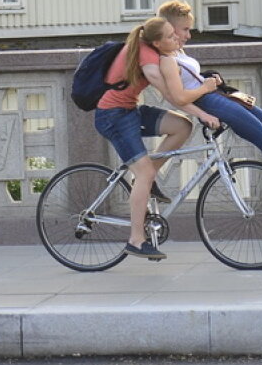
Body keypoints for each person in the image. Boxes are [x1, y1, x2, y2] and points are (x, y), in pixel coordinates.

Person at [154, 0, 262, 202]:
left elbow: (191, 79)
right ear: (169, 28)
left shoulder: (177, 50)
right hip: (210, 101)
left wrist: (209, 79)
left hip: (217, 96)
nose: (188, 35)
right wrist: (204, 92)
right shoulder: (167, 60)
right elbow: (177, 97)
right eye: (184, 30)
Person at [94, 17, 220, 260]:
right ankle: (136, 240)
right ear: (156, 42)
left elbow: (178, 98)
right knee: (144, 173)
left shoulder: (153, 50)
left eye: (176, 34)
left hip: (129, 111)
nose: (177, 39)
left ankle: (146, 178)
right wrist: (204, 106)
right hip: (113, 116)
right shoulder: (150, 64)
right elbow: (175, 97)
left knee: (182, 126)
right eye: (171, 37)